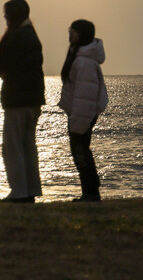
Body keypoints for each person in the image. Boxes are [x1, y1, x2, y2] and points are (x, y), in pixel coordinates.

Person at [0, 0, 45, 203]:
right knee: (27, 145)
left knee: (13, 146)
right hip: (31, 99)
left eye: (6, 13)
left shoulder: (18, 36)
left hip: (18, 98)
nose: (4, 17)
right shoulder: (30, 35)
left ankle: (20, 190)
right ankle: (30, 188)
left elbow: (3, 59)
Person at [58, 19, 109, 202]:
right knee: (81, 151)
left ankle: (91, 192)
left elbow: (85, 96)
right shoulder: (78, 57)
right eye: (69, 30)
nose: (70, 34)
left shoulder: (84, 62)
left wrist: (78, 120)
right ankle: (90, 191)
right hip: (79, 113)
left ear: (83, 34)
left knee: (81, 152)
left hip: (82, 115)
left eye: (73, 31)